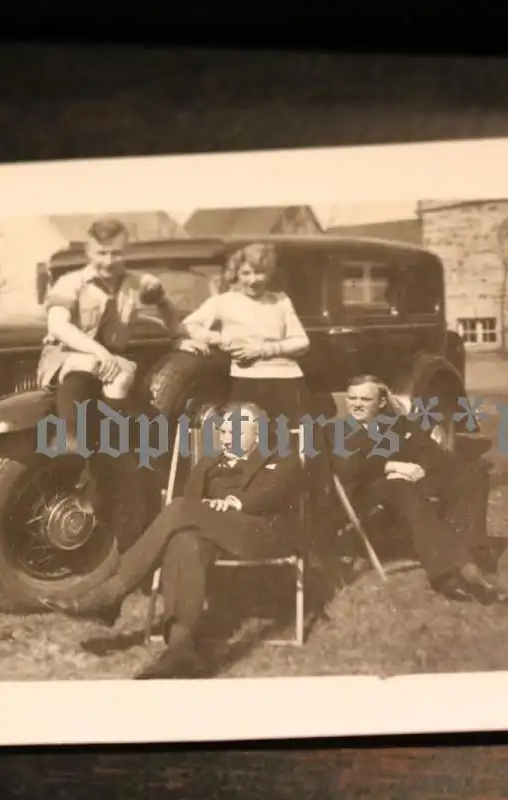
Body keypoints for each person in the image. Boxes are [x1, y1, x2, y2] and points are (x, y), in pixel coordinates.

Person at [42, 401, 306, 679]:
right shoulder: (209, 463)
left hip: (260, 532)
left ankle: (111, 592)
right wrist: (205, 508)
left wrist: (235, 502)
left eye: (236, 431)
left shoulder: (279, 456)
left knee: (180, 508)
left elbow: (278, 491)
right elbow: (193, 503)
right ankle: (180, 650)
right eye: (225, 430)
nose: (227, 436)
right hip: (213, 533)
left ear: (259, 433)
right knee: (184, 540)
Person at [37, 217, 183, 507]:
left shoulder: (137, 283)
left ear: (125, 252)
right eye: (102, 253)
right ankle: (71, 442)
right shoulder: (72, 283)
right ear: (89, 253)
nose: (109, 260)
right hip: (67, 355)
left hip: (112, 360)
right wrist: (97, 352)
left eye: (116, 253)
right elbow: (58, 326)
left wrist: (178, 335)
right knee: (89, 366)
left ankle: (112, 453)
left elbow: (165, 304)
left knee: (122, 377)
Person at [333, 374, 508, 604]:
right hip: (366, 492)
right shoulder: (338, 429)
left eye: (365, 399)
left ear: (381, 402)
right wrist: (391, 466)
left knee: (471, 474)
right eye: (352, 398)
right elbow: (345, 466)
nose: (356, 404)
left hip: (406, 483)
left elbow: (431, 453)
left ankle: (472, 551)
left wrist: (421, 468)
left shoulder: (398, 424)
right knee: (401, 488)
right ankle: (457, 574)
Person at [179, 242, 313, 425]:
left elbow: (302, 342)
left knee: (288, 440)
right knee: (246, 439)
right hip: (246, 380)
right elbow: (187, 326)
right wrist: (221, 339)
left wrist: (260, 349)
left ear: (269, 273)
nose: (253, 280)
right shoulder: (222, 302)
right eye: (246, 273)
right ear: (235, 274)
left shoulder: (281, 300)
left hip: (287, 380)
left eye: (260, 272)